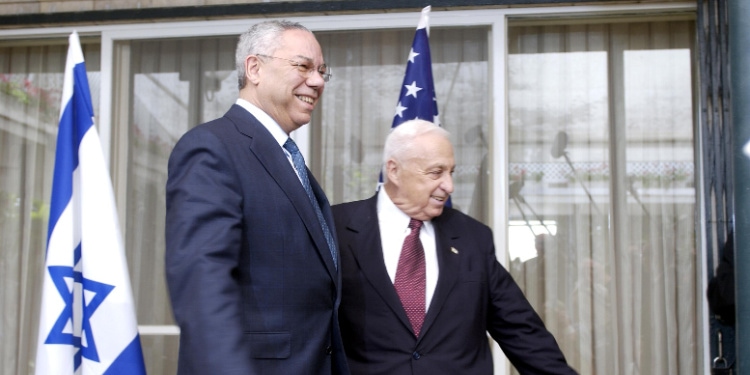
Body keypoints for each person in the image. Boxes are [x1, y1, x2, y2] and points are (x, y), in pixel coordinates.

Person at [165, 20, 348, 375]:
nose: (318, 81)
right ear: (254, 68)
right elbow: (204, 286)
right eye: (303, 66)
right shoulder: (212, 148)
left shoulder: (287, 160)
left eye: (323, 71)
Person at [332, 119, 577, 375]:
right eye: (436, 172)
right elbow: (307, 324)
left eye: (451, 172)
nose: (449, 186)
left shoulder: (473, 238)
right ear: (394, 171)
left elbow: (522, 333)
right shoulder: (336, 229)